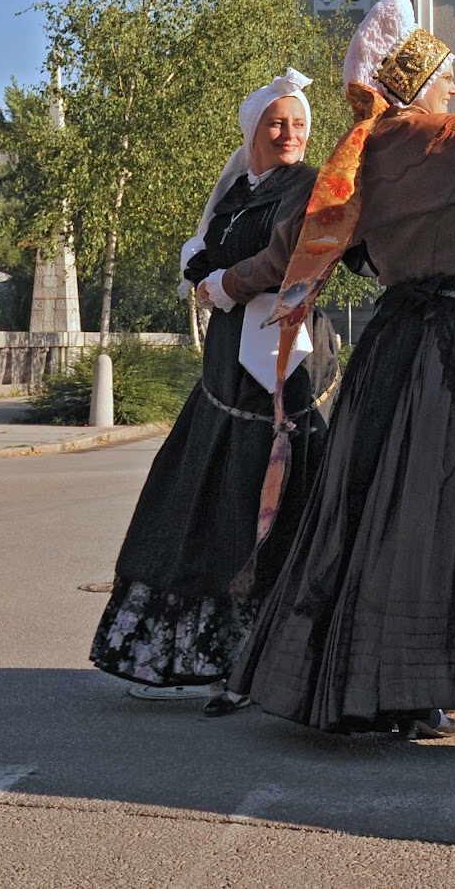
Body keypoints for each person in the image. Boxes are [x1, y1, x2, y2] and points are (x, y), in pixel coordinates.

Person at [231, 0, 455, 740]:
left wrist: (223, 282)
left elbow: (286, 253)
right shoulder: (452, 139)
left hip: (391, 346)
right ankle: (432, 680)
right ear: (419, 85)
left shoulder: (353, 163)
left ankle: (372, 681)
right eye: (445, 75)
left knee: (372, 511)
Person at [90, 68, 334, 715]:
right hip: (224, 378)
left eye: (300, 123)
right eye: (278, 122)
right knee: (196, 512)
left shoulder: (307, 186)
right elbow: (203, 248)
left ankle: (263, 662)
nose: (290, 133)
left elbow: (284, 261)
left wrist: (222, 284)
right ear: (254, 129)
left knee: (263, 520)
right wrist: (204, 273)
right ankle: (212, 656)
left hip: (278, 373)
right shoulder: (235, 191)